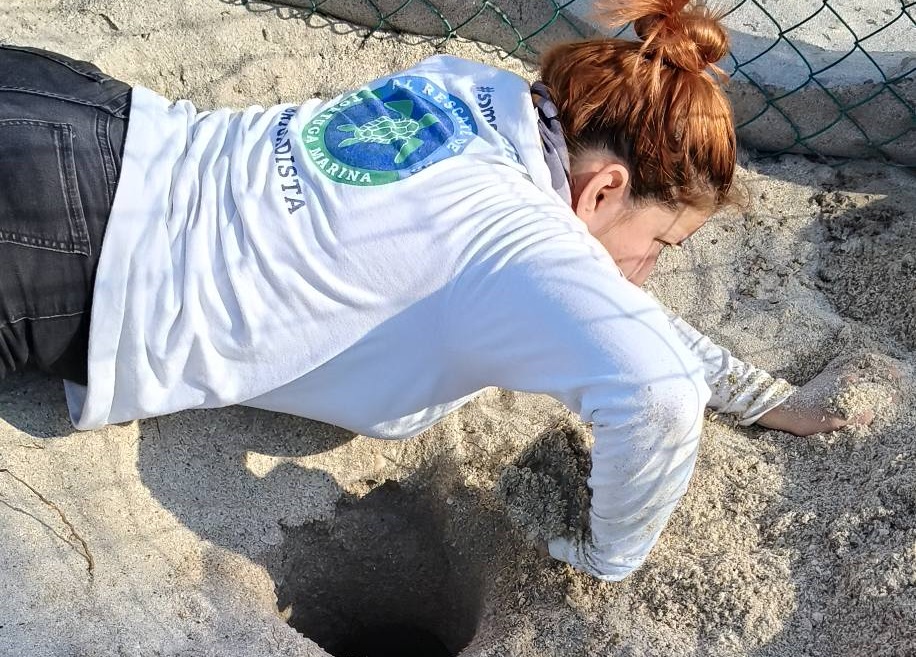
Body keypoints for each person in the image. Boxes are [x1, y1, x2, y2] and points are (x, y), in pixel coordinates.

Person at [0, 0, 875, 582]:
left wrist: (764, 397)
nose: (645, 274)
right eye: (658, 244)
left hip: (78, 107)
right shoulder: (518, 240)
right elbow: (656, 393)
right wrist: (608, 555)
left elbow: (600, 303)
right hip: (54, 252)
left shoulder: (473, 89)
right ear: (603, 191)